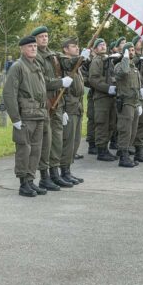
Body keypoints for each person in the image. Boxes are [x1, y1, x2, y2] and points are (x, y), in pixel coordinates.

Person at [2, 36, 48, 197]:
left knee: (36, 149)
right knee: (24, 149)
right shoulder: (18, 67)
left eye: (35, 46)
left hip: (39, 114)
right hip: (26, 115)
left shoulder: (36, 65)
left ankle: (30, 180)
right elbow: (9, 93)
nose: (34, 48)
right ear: (22, 49)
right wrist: (15, 118)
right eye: (30, 46)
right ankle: (23, 184)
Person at [31, 25, 75, 190]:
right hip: (46, 104)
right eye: (41, 36)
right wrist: (60, 82)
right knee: (45, 142)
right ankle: (44, 176)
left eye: (46, 36)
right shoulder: (36, 57)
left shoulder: (53, 55)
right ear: (35, 39)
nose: (44, 39)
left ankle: (55, 173)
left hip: (57, 103)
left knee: (56, 140)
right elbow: (42, 81)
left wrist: (80, 58)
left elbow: (68, 63)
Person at [58, 37, 85, 184]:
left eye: (77, 46)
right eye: (73, 47)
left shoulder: (77, 65)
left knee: (75, 142)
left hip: (77, 107)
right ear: (65, 49)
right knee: (67, 142)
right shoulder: (63, 62)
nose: (77, 48)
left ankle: (68, 170)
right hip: (68, 108)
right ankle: (63, 172)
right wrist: (62, 110)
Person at [114, 42, 141, 168]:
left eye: (132, 50)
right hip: (125, 102)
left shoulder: (134, 67)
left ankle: (127, 152)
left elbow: (138, 86)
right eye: (129, 50)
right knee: (125, 129)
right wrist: (124, 57)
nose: (131, 52)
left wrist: (139, 102)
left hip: (134, 102)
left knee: (133, 130)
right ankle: (123, 157)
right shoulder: (120, 66)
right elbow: (124, 72)